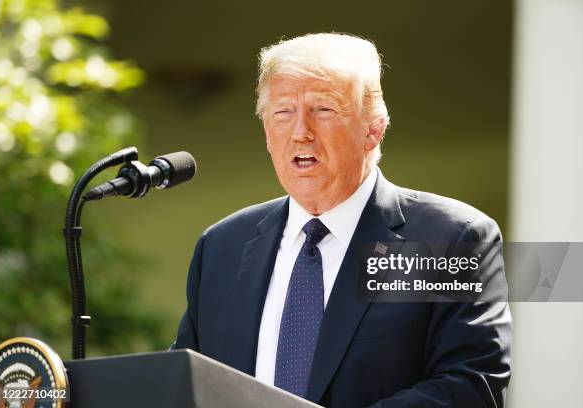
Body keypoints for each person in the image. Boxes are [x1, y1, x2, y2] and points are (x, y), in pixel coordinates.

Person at [173, 33, 512, 407]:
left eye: (324, 110)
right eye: (283, 112)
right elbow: (184, 384)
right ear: (267, 132)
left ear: (373, 130)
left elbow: (469, 387)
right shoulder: (222, 246)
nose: (301, 132)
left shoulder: (451, 238)